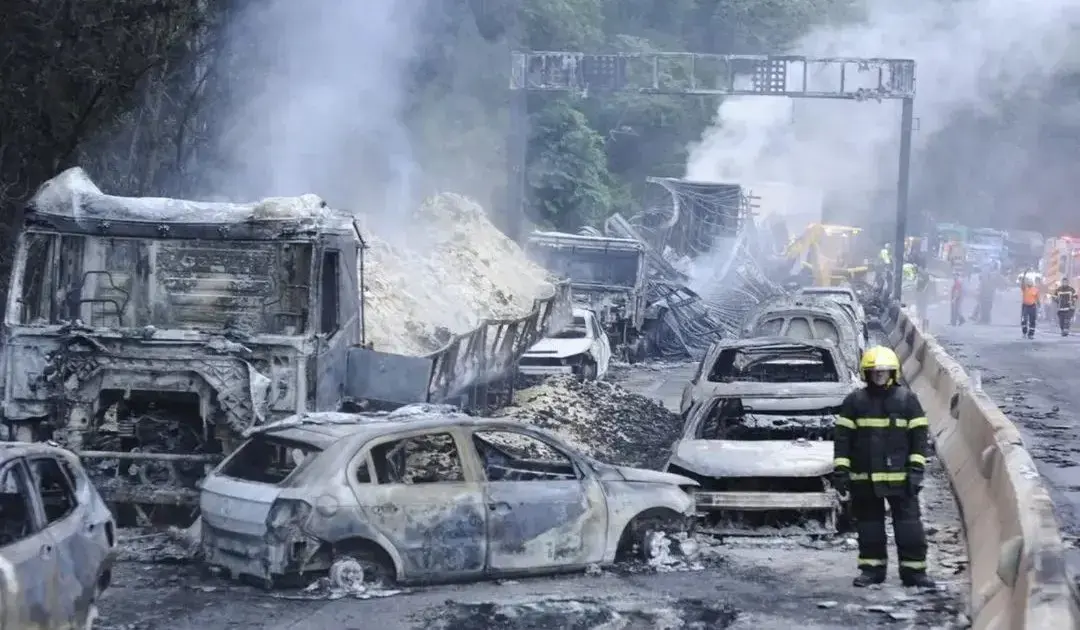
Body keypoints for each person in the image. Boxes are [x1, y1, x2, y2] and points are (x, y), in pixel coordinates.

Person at [832, 346, 935, 589]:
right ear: (866, 374)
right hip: (864, 480)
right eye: (874, 372)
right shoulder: (854, 402)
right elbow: (842, 440)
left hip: (901, 480)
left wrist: (916, 470)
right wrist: (841, 472)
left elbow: (920, 438)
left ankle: (914, 573)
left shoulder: (907, 400)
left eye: (883, 372)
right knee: (870, 528)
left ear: (893, 373)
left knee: (910, 528)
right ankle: (872, 571)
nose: (879, 376)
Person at [1021, 272, 1040, 339]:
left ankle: (1031, 334)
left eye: (1030, 282)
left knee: (1032, 320)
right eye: (1028, 282)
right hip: (1025, 306)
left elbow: (1037, 298)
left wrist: (1039, 304)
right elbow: (1022, 283)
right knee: (1024, 320)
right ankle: (1024, 332)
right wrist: (1024, 275)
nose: (1029, 283)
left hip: (1032, 306)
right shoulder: (1024, 288)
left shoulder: (1035, 290)